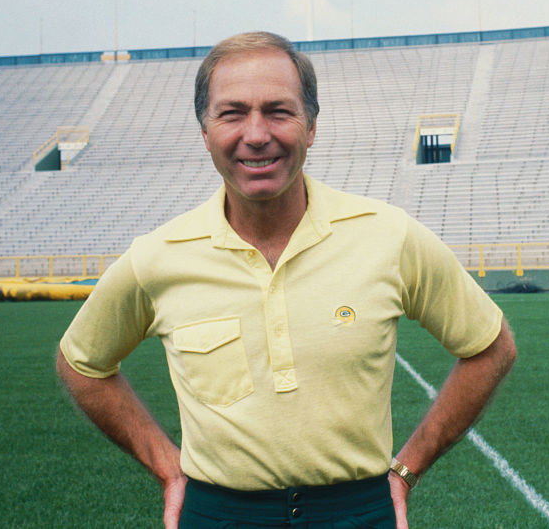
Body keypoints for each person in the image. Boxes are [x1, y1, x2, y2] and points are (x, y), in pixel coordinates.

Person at [56, 31, 516, 528]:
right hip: (218, 514)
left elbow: (490, 347)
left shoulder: (388, 235)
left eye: (278, 111)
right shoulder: (158, 256)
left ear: (311, 126)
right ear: (205, 131)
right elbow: (81, 363)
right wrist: (168, 468)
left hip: (357, 513)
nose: (256, 134)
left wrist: (406, 469)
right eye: (232, 113)